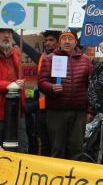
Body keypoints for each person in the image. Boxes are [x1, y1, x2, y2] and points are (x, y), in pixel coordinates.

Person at [38, 31, 93, 160]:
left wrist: (90, 111)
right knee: (57, 148)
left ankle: (74, 178)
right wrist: (51, 87)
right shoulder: (50, 58)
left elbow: (91, 86)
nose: (67, 41)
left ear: (75, 42)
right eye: (64, 39)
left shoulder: (86, 61)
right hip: (56, 112)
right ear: (60, 42)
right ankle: (57, 177)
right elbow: (41, 82)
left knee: (77, 149)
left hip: (79, 112)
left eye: (70, 39)